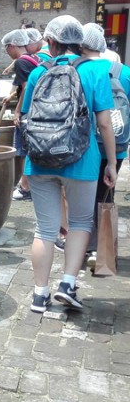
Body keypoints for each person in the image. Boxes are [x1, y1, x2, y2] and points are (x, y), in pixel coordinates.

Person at [21, 15, 117, 313]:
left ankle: (39, 295)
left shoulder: (39, 72)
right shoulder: (95, 72)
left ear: (50, 42)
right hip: (82, 161)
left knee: (44, 229)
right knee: (78, 223)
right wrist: (111, 163)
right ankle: (66, 284)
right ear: (80, 42)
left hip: (39, 160)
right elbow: (104, 124)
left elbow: (24, 117)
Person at [80, 22, 129, 270]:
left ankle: (83, 249)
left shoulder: (79, 70)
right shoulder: (124, 72)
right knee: (106, 195)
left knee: (82, 197)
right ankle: (104, 256)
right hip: (117, 146)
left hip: (84, 147)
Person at [1, 29, 38, 201]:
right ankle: (28, 185)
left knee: (23, 150)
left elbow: (26, 87)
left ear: (12, 45)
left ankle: (25, 188)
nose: (6, 52)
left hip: (27, 111)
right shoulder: (33, 58)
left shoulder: (21, 63)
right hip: (36, 109)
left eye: (6, 48)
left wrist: (18, 111)